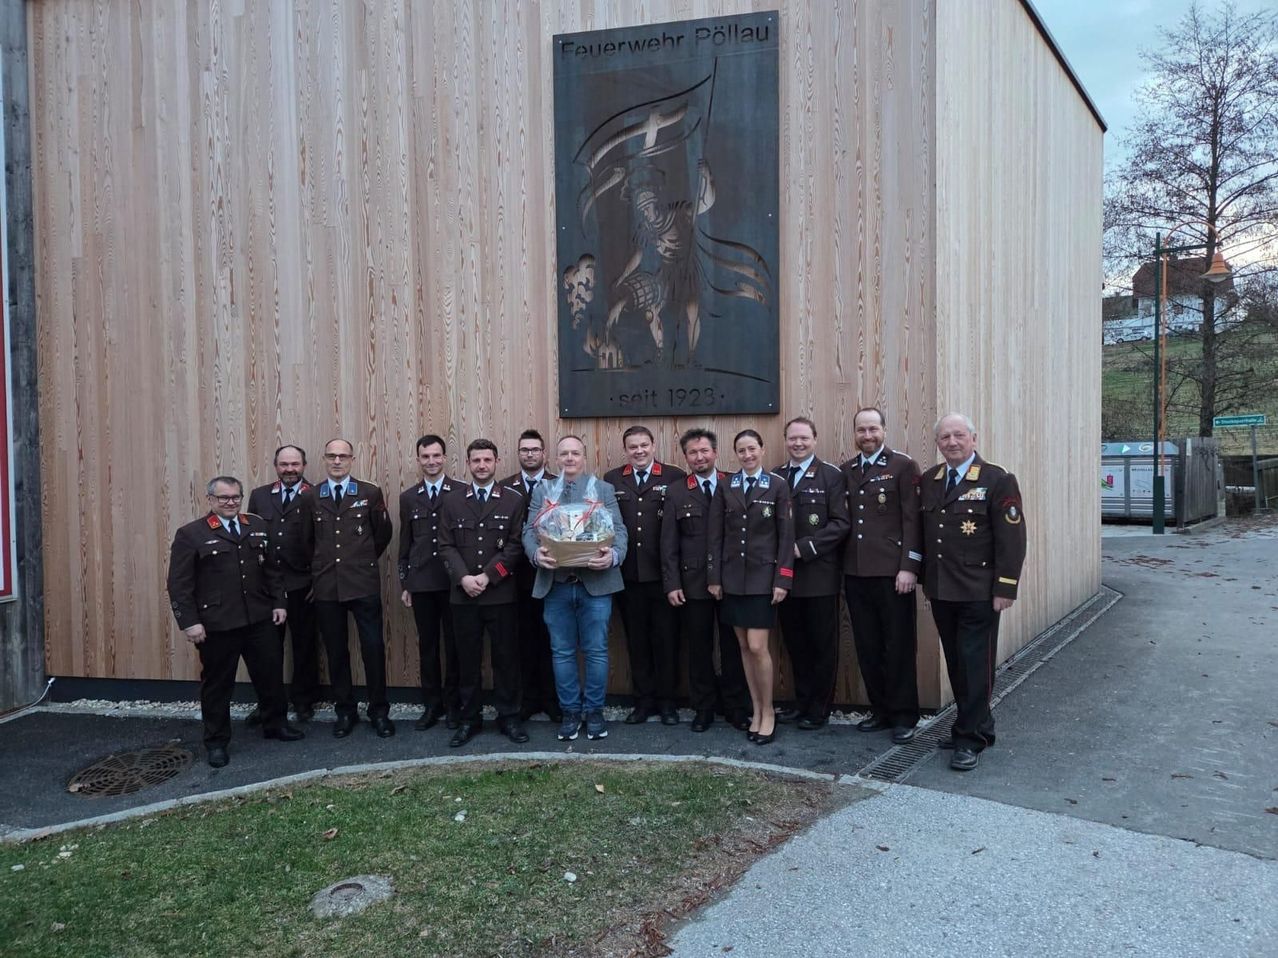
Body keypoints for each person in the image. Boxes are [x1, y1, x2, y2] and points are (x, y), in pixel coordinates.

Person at [167, 476, 304, 767]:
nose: (230, 503)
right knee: (218, 686)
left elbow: (272, 570)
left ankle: (275, 724)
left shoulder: (255, 526)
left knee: (270, 676)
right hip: (218, 624)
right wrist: (189, 622)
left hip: (259, 618)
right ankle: (216, 742)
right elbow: (179, 585)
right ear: (210, 500)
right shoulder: (191, 534)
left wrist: (279, 603)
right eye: (223, 498)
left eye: (235, 497)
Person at [920, 413, 1027, 771]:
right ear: (938, 443)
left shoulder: (997, 479)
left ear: (973, 439)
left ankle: (970, 740)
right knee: (956, 663)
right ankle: (977, 724)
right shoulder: (931, 480)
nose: (951, 442)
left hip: (980, 592)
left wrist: (1005, 587)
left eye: (959, 436)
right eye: (945, 437)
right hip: (942, 590)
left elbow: (1011, 540)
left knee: (975, 666)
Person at [522, 435, 627, 742]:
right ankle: (570, 713)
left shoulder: (602, 490)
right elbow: (530, 530)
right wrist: (535, 554)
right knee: (562, 652)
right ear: (555, 459)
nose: (569, 458)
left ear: (584, 457)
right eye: (564, 453)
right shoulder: (543, 491)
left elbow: (618, 530)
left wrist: (613, 555)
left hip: (595, 583)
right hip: (556, 584)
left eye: (575, 453)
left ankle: (594, 711)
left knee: (595, 651)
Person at [300, 438, 395, 739]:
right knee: (337, 651)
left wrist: (360, 561)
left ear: (352, 459)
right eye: (331, 456)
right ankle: (345, 711)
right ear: (324, 459)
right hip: (327, 586)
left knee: (373, 649)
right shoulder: (311, 496)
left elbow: (382, 534)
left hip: (362, 583)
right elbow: (306, 541)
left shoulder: (368, 492)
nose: (337, 461)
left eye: (343, 456)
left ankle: (379, 711)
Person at [438, 439, 529, 747]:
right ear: (468, 463)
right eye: (476, 460)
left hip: (500, 594)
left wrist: (488, 577)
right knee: (467, 660)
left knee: (507, 659)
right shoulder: (451, 501)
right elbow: (445, 545)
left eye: (487, 460)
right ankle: (469, 720)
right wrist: (463, 577)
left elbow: (516, 546)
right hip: (463, 595)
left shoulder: (513, 500)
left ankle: (509, 717)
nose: (481, 465)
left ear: (496, 462)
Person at [841, 407, 924, 744]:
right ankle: (881, 710)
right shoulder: (846, 470)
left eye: (873, 429)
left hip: (893, 573)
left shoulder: (903, 466)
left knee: (899, 645)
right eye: (861, 430)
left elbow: (913, 521)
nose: (867, 436)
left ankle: (904, 715)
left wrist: (909, 566)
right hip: (856, 572)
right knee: (868, 645)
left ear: (884, 431)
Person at [660, 427, 751, 733]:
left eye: (704, 451)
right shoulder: (676, 491)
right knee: (698, 649)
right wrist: (672, 584)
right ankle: (704, 708)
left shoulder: (734, 483)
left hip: (733, 581)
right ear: (685, 457)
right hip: (693, 583)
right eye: (692, 453)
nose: (699, 457)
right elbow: (668, 544)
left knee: (733, 647)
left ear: (715, 453)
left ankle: (736, 707)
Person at [708, 430, 795, 745]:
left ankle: (768, 711)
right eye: (741, 451)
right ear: (735, 454)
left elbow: (786, 537)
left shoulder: (777, 486)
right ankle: (756, 710)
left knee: (758, 647)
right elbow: (715, 536)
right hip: (732, 579)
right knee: (743, 647)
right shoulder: (725, 486)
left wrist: (783, 579)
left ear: (762, 449)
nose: (747, 455)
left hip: (762, 579)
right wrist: (714, 578)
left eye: (752, 449)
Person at [605, 425, 686, 725]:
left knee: (667, 641)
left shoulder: (674, 476)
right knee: (636, 642)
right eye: (632, 447)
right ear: (625, 449)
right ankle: (643, 702)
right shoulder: (613, 479)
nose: (639, 451)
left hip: (664, 576)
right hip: (628, 576)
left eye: (644, 445)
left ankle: (668, 703)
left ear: (654, 445)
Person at [773, 417, 849, 729]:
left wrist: (805, 547)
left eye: (804, 438)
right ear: (786, 440)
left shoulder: (831, 476)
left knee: (822, 644)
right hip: (785, 579)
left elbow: (841, 523)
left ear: (814, 439)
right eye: (793, 438)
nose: (798, 444)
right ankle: (801, 701)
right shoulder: (776, 476)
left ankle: (819, 707)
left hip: (819, 574)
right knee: (796, 643)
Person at [247, 445, 320, 723]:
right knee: (266, 649)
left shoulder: (314, 495)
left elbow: (321, 541)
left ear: (304, 465)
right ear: (275, 465)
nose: (290, 469)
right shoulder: (260, 496)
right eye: (284, 464)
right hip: (267, 586)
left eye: (295, 464)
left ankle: (304, 700)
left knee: (304, 645)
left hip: (303, 582)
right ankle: (269, 702)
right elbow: (251, 537)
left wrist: (317, 579)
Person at [398, 434, 462, 731]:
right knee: (428, 646)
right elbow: (406, 543)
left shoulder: (461, 491)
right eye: (426, 456)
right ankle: (432, 704)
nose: (432, 461)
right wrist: (405, 583)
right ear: (418, 459)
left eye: (437, 456)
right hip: (422, 581)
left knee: (455, 646)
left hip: (452, 581)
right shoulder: (409, 497)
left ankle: (453, 705)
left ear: (445, 458)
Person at [499, 429, 561, 723]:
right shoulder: (504, 487)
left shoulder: (559, 485)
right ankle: (529, 698)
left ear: (544, 454)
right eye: (524, 450)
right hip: (514, 578)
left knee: (552, 640)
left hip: (551, 575)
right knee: (522, 641)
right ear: (518, 453)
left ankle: (551, 699)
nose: (530, 454)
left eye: (535, 449)